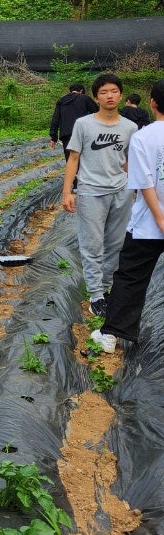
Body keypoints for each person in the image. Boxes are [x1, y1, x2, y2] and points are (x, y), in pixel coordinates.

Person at [92, 79, 164, 353]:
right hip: (152, 223)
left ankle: (111, 336)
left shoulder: (143, 137)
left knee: (131, 278)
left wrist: (159, 218)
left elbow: (145, 182)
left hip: (148, 225)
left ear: (153, 103)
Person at [63, 73, 137, 319]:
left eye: (114, 91)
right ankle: (95, 295)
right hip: (91, 191)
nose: (109, 96)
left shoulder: (130, 127)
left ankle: (104, 289)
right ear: (95, 97)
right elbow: (73, 158)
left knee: (116, 246)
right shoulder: (84, 125)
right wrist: (67, 192)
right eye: (104, 92)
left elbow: (127, 161)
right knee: (92, 245)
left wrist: (134, 189)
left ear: (121, 95)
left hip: (121, 191)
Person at [49, 83, 98, 157]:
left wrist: (53, 137)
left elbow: (55, 119)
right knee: (85, 160)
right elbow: (98, 112)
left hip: (66, 135)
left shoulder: (61, 101)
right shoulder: (84, 98)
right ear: (81, 91)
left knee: (70, 160)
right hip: (83, 134)